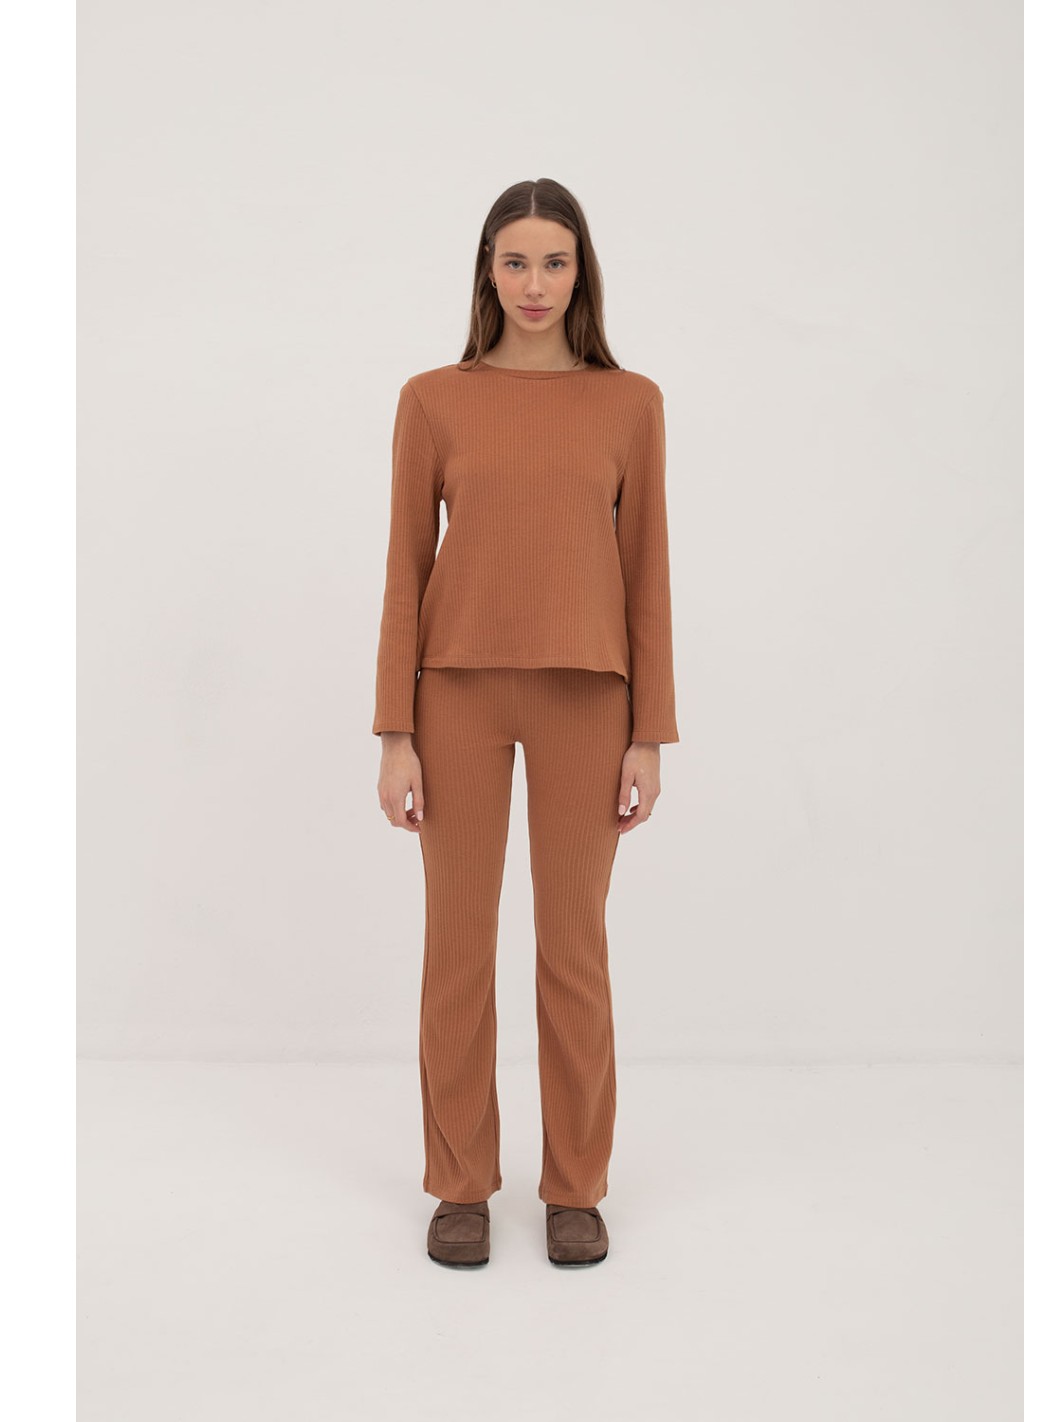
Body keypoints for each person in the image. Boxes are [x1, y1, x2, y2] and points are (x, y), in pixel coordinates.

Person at [372, 178, 680, 1268]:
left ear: (581, 272)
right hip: (454, 694)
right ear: (487, 272)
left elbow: (646, 572)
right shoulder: (432, 400)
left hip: (588, 699)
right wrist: (394, 732)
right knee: (456, 950)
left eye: (555, 262)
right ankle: (460, 1184)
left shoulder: (629, 402)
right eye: (516, 262)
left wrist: (649, 733)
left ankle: (575, 1189)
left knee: (573, 950)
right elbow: (405, 568)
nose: (535, 284)